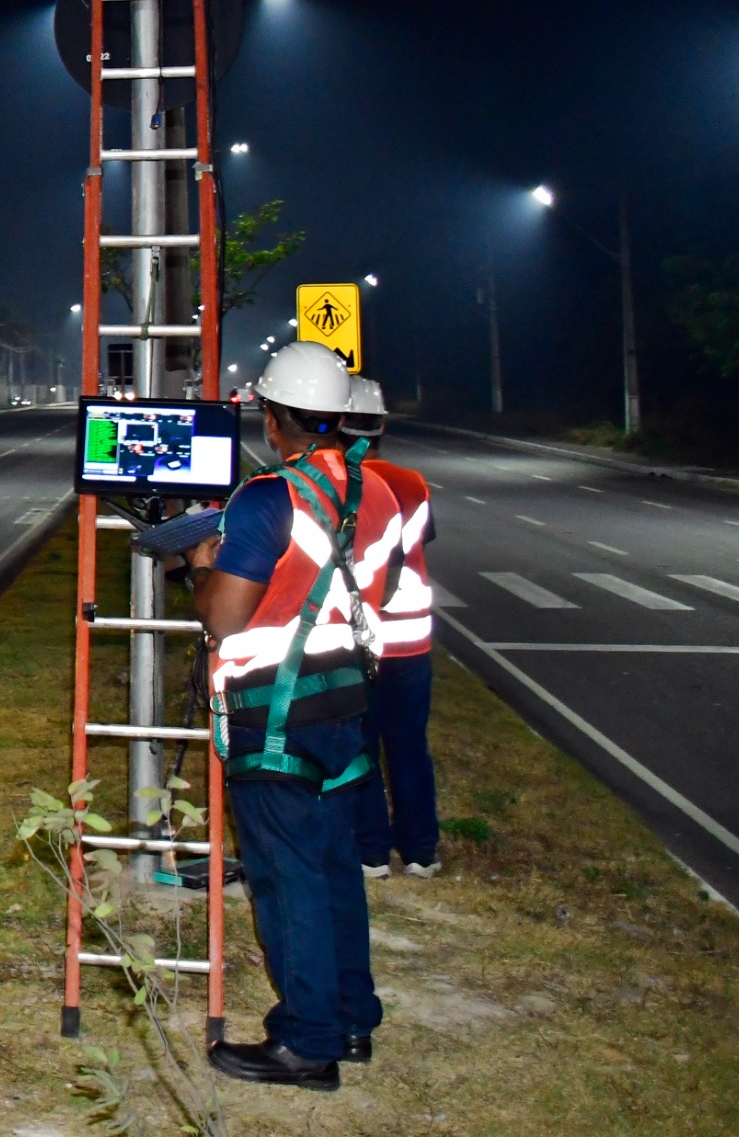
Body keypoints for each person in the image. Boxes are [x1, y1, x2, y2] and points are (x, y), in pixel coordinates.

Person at [185, 341, 404, 1090]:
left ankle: (307, 1043)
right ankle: (350, 1020)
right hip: (347, 703)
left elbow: (225, 617)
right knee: (337, 868)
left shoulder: (268, 497)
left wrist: (200, 565)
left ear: (274, 417)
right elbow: (379, 586)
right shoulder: (376, 494)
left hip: (275, 715)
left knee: (288, 878)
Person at [342, 376, 442, 880]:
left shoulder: (338, 483)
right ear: (381, 426)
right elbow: (420, 539)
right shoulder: (413, 483)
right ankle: (422, 850)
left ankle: (371, 851)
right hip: (412, 640)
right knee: (409, 745)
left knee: (360, 745)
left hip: (361, 640)